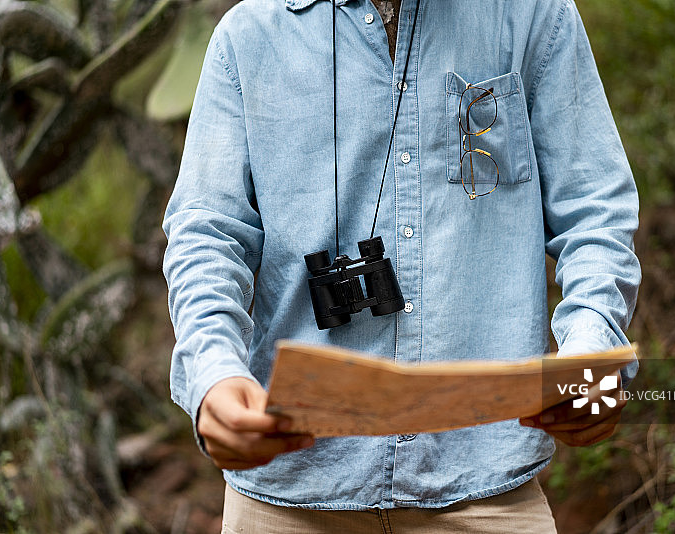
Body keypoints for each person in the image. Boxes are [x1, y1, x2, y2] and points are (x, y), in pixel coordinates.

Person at [162, 0, 641, 531]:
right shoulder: (247, 37)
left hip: (486, 486)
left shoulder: (534, 15)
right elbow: (206, 236)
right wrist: (213, 375)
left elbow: (596, 213)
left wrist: (593, 352)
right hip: (285, 497)